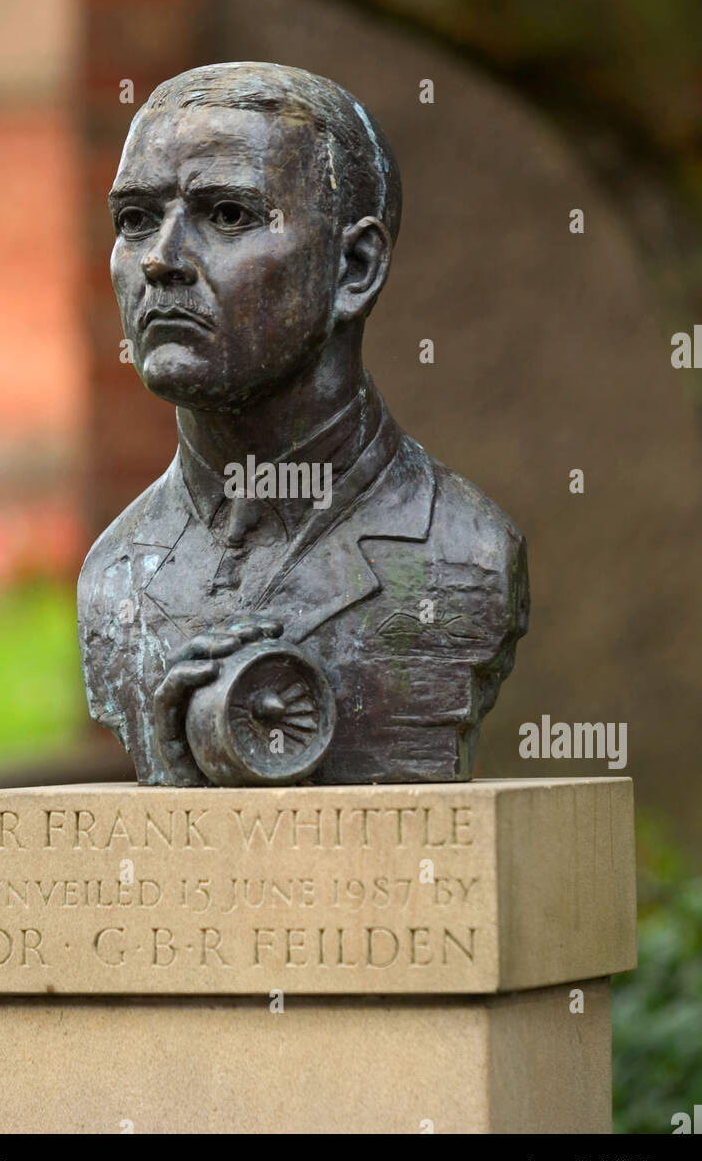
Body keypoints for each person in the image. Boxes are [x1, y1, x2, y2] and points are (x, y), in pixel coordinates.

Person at [78, 62, 528, 785]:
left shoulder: (464, 554)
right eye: (135, 220)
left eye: (227, 215)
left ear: (353, 267)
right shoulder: (114, 573)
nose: (160, 260)